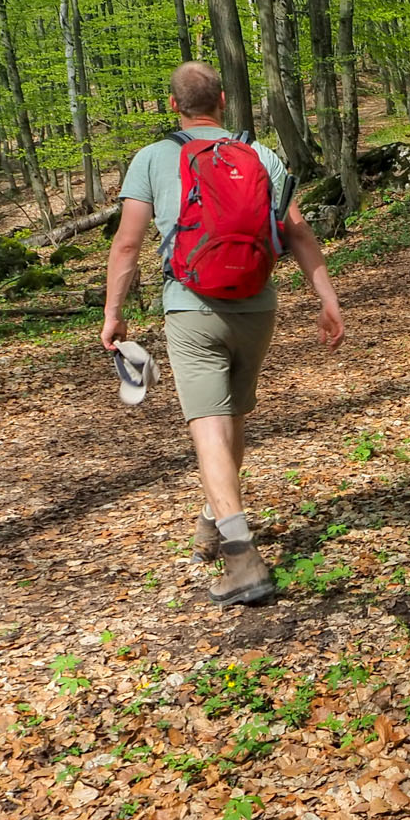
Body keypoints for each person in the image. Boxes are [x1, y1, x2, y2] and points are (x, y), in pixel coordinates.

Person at [100, 62, 345, 606]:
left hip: (191, 308)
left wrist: (114, 313)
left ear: (172, 105)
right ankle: (213, 517)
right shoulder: (261, 156)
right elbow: (298, 232)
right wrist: (326, 297)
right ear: (224, 99)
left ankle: (242, 559)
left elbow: (126, 245)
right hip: (257, 306)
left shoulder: (153, 158)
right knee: (231, 417)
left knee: (209, 426)